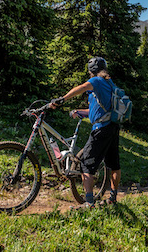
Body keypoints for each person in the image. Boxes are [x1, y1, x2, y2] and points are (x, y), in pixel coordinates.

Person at [51, 57, 121, 208]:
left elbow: (82, 87)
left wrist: (62, 99)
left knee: (86, 164)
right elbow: (97, 110)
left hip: (101, 129)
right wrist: (80, 112)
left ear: (91, 71)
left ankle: (89, 203)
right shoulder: (109, 83)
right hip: (113, 127)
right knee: (114, 164)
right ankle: (113, 199)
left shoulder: (96, 80)